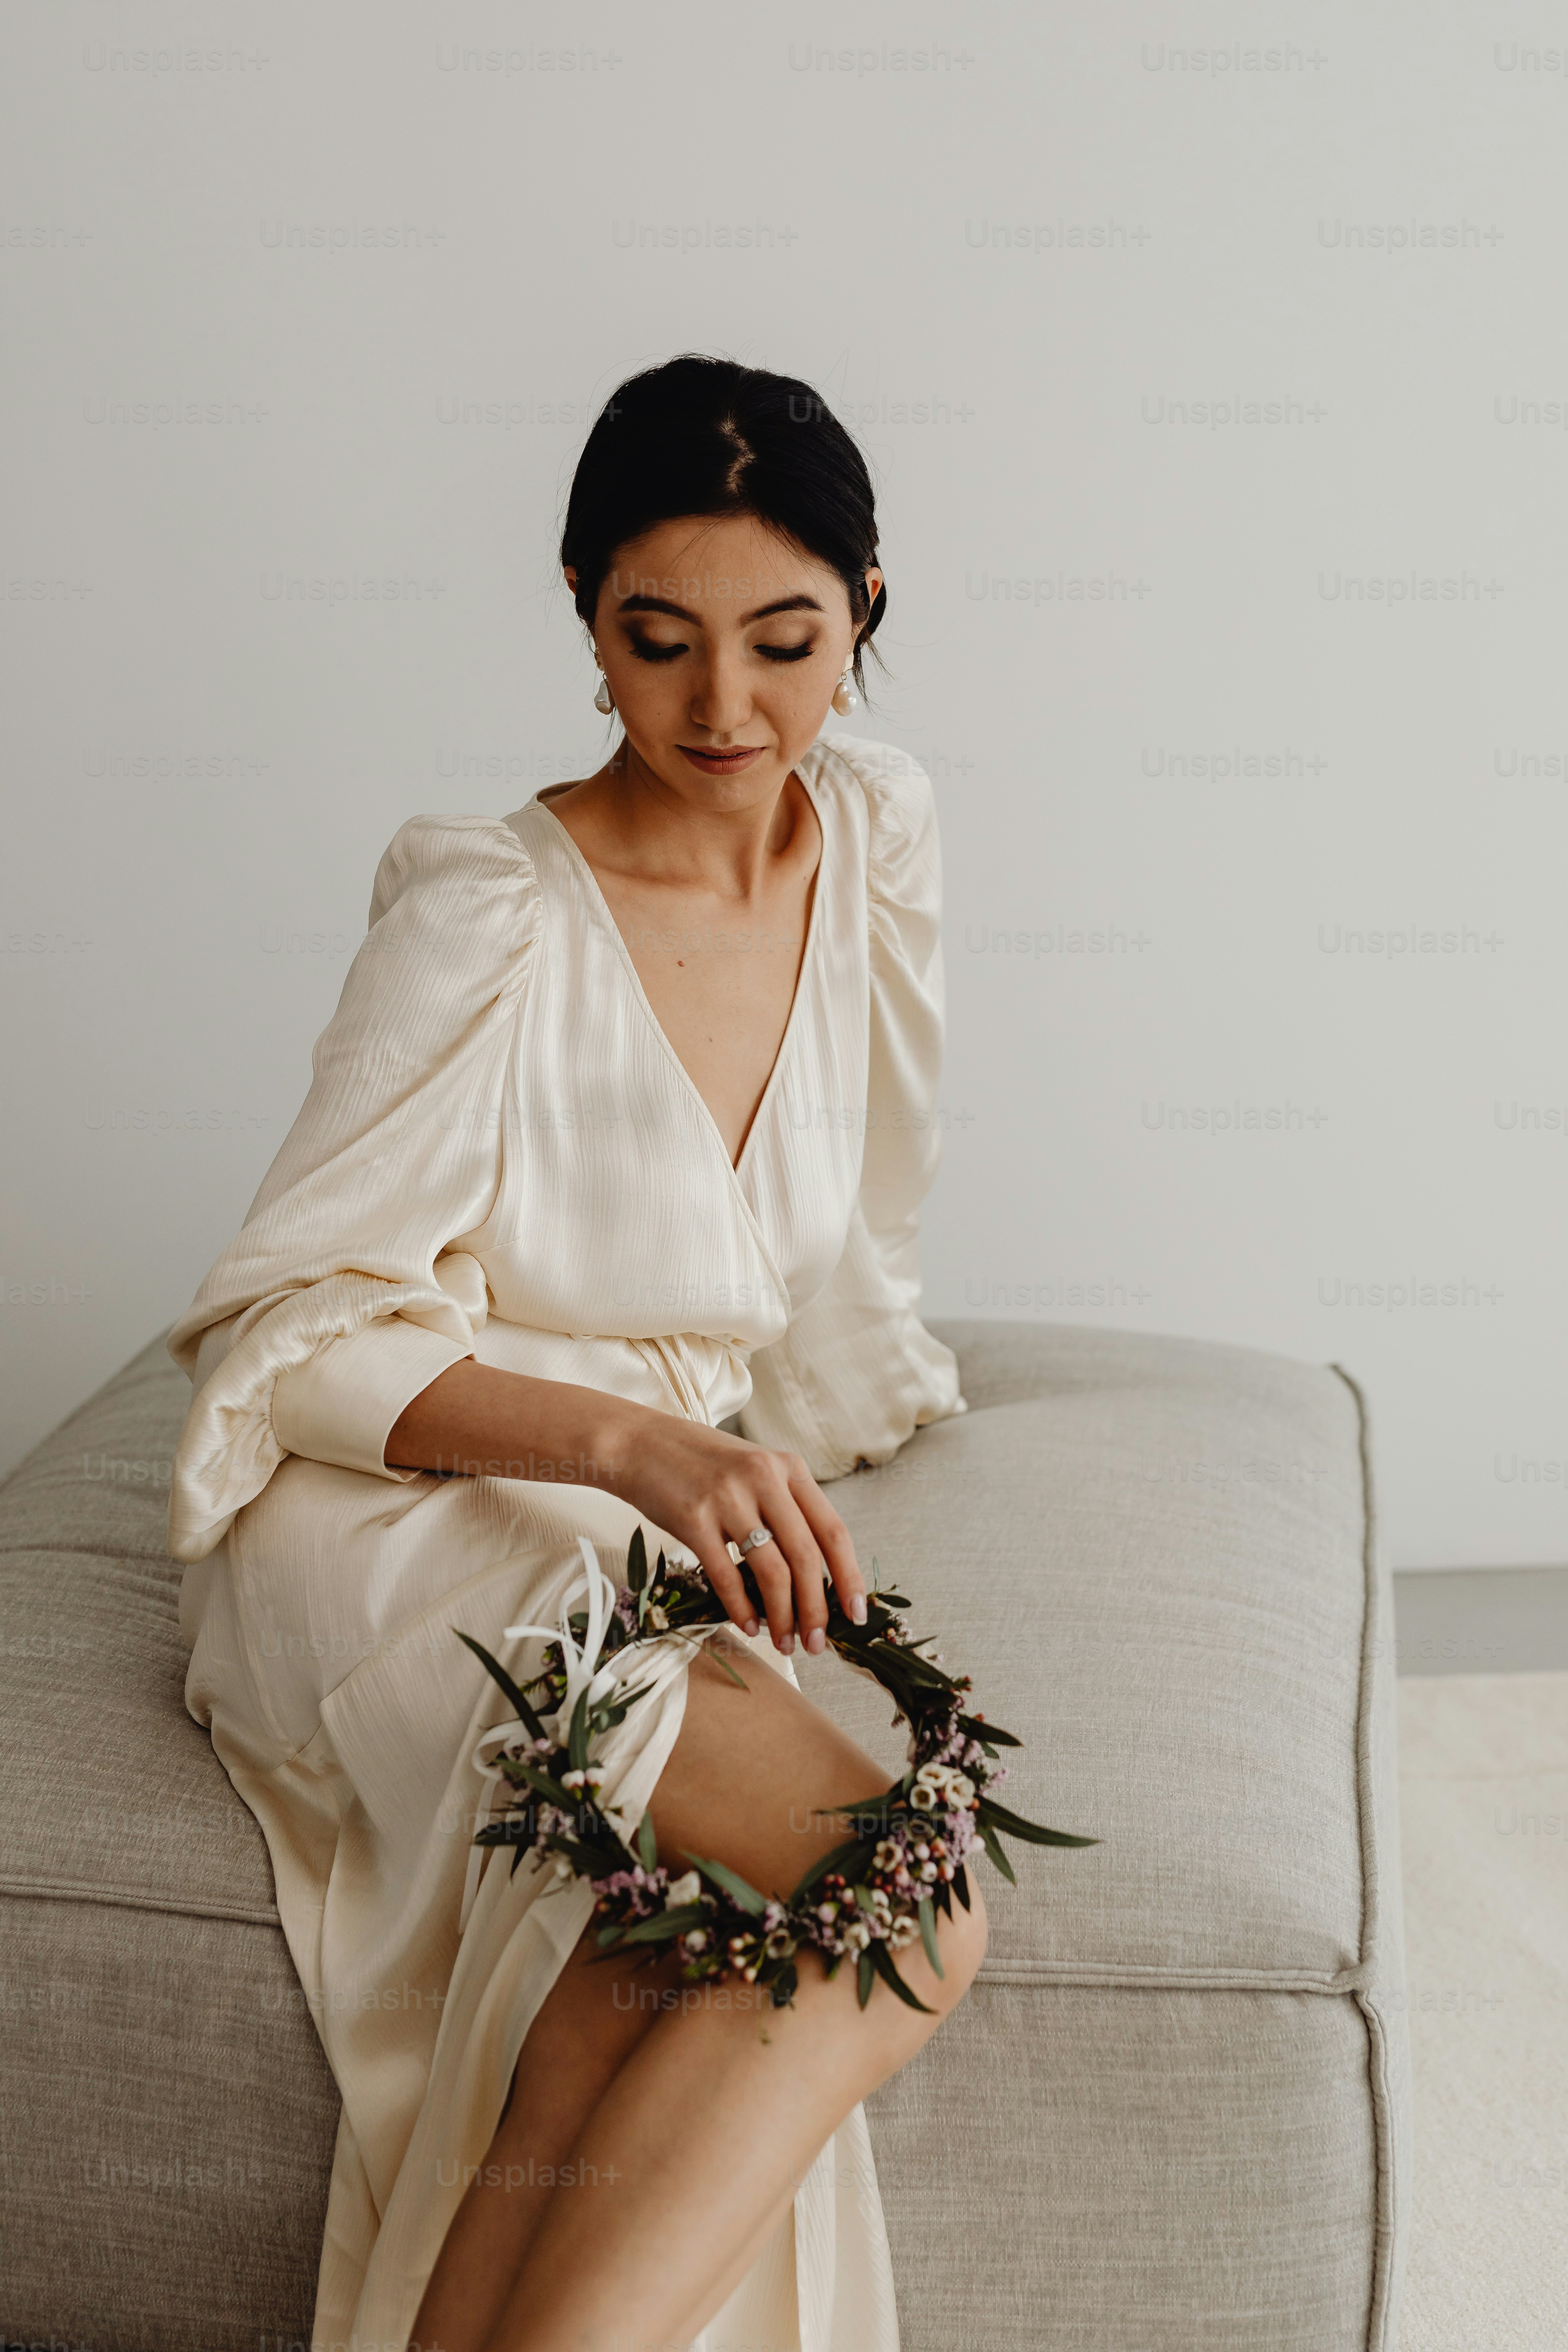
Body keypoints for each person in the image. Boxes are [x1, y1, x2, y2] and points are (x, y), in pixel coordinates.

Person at [165, 353, 982, 2352]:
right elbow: (288, 1336)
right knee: (917, 1889)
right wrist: (639, 1453)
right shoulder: (485, 904)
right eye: (659, 641)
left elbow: (846, 1217)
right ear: (581, 618)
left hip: (628, 1524)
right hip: (399, 1517)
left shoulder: (871, 842)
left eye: (787, 643)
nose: (725, 711)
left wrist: (819, 1419)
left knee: (663, 1956)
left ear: (866, 607)